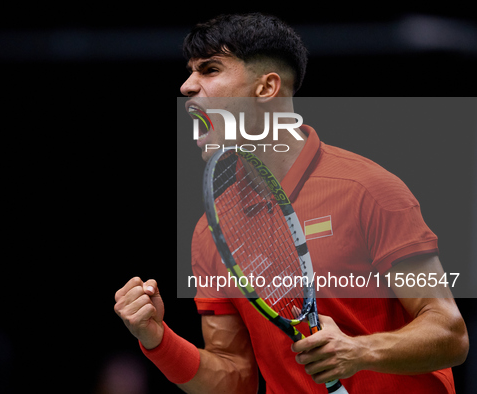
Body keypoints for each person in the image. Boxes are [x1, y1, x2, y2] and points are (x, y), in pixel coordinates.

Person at [114, 13, 469, 393]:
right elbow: (237, 378)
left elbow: (450, 333)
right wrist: (158, 339)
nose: (186, 86)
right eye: (190, 72)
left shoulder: (368, 190)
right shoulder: (212, 231)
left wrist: (359, 351)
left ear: (267, 87)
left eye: (210, 69)